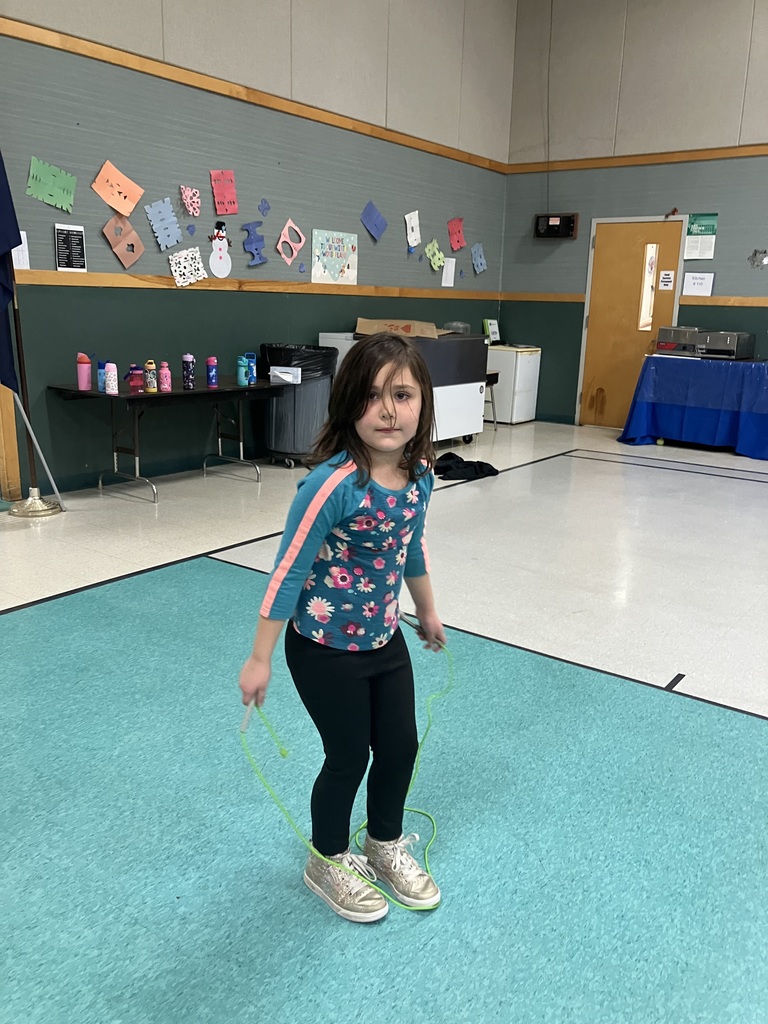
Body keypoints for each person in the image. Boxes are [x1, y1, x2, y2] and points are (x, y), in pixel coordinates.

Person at [239, 332, 446, 923]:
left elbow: (410, 548)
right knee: (350, 753)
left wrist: (426, 609)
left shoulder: (421, 475)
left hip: (385, 638)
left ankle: (383, 843)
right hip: (324, 649)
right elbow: (287, 571)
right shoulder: (331, 486)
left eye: (403, 395)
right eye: (373, 395)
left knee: (401, 745)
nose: (388, 410)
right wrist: (260, 658)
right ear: (348, 402)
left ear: (422, 405)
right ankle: (327, 857)